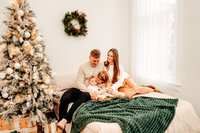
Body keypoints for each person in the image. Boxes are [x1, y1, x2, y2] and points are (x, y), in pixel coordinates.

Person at [56, 49, 104, 133]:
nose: (96, 63)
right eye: (94, 61)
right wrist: (90, 90)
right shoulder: (83, 67)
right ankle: (60, 127)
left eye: (98, 61)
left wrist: (95, 92)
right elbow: (80, 83)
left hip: (89, 93)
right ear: (90, 57)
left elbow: (103, 82)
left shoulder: (101, 67)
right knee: (65, 97)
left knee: (85, 95)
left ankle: (65, 120)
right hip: (79, 89)